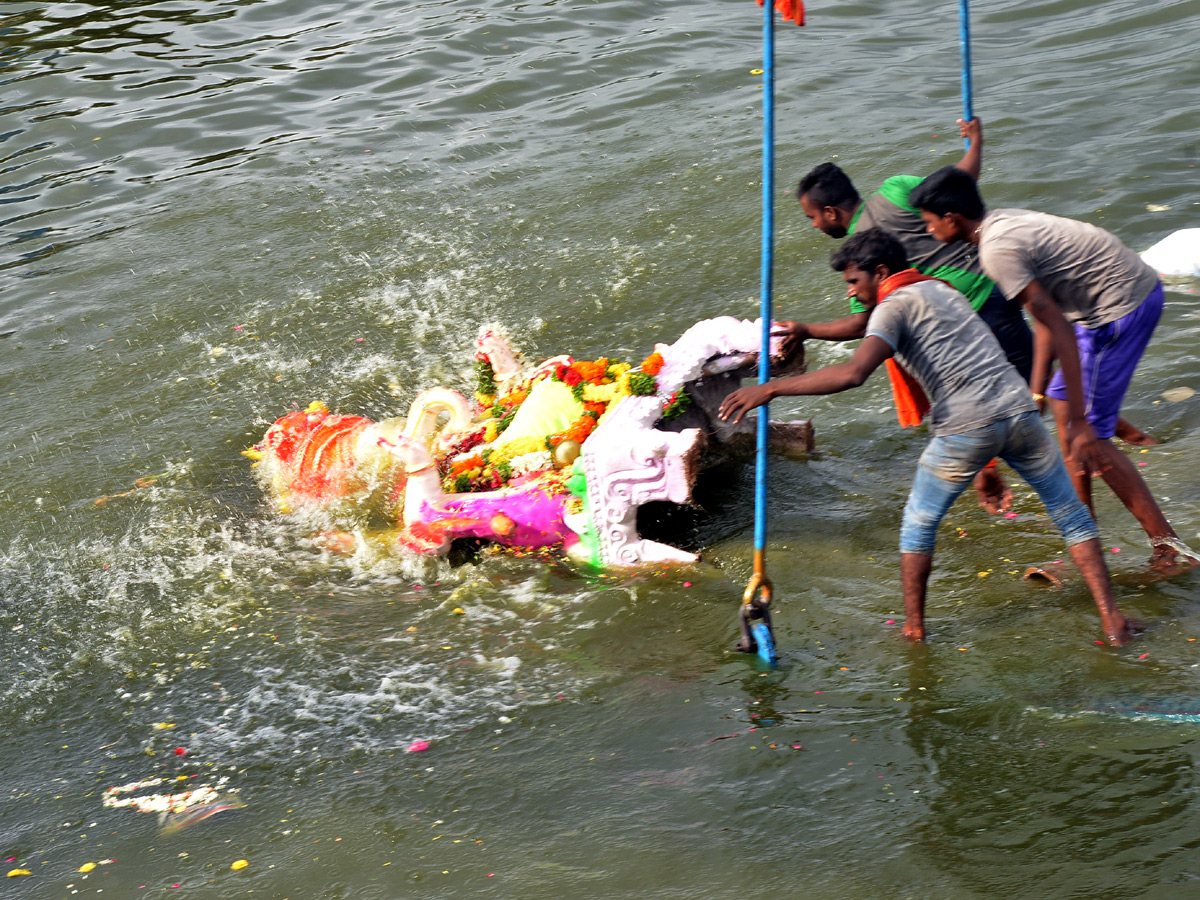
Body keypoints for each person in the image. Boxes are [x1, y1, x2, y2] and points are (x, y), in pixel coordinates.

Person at [719, 228, 1136, 646]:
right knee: (1072, 515)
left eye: (853, 282)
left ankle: (914, 630)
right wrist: (807, 329)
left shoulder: (892, 308)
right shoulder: (942, 291)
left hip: (966, 426)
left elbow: (853, 372)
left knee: (918, 526)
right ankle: (1113, 620)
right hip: (1019, 409)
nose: (851, 290)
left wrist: (769, 389)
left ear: (880, 273)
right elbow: (868, 324)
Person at [786, 119, 1154, 512]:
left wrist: (807, 329)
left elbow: (861, 325)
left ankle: (1089, 457)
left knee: (1030, 390)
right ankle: (1111, 437)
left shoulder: (863, 251)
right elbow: (956, 187)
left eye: (811, 218)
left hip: (967, 314)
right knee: (1043, 378)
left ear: (829, 212)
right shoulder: (894, 189)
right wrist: (976, 142)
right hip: (997, 284)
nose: (813, 225)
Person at [909, 167, 1193, 569]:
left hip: (1119, 306)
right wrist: (1039, 392)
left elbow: (1058, 326)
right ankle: (1085, 537)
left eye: (929, 222)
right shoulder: (1000, 224)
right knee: (1062, 407)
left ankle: (1169, 549)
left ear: (952, 218)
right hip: (1104, 301)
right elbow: (1044, 319)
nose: (928, 230)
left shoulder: (996, 251)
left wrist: (1080, 419)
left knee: (1089, 435)